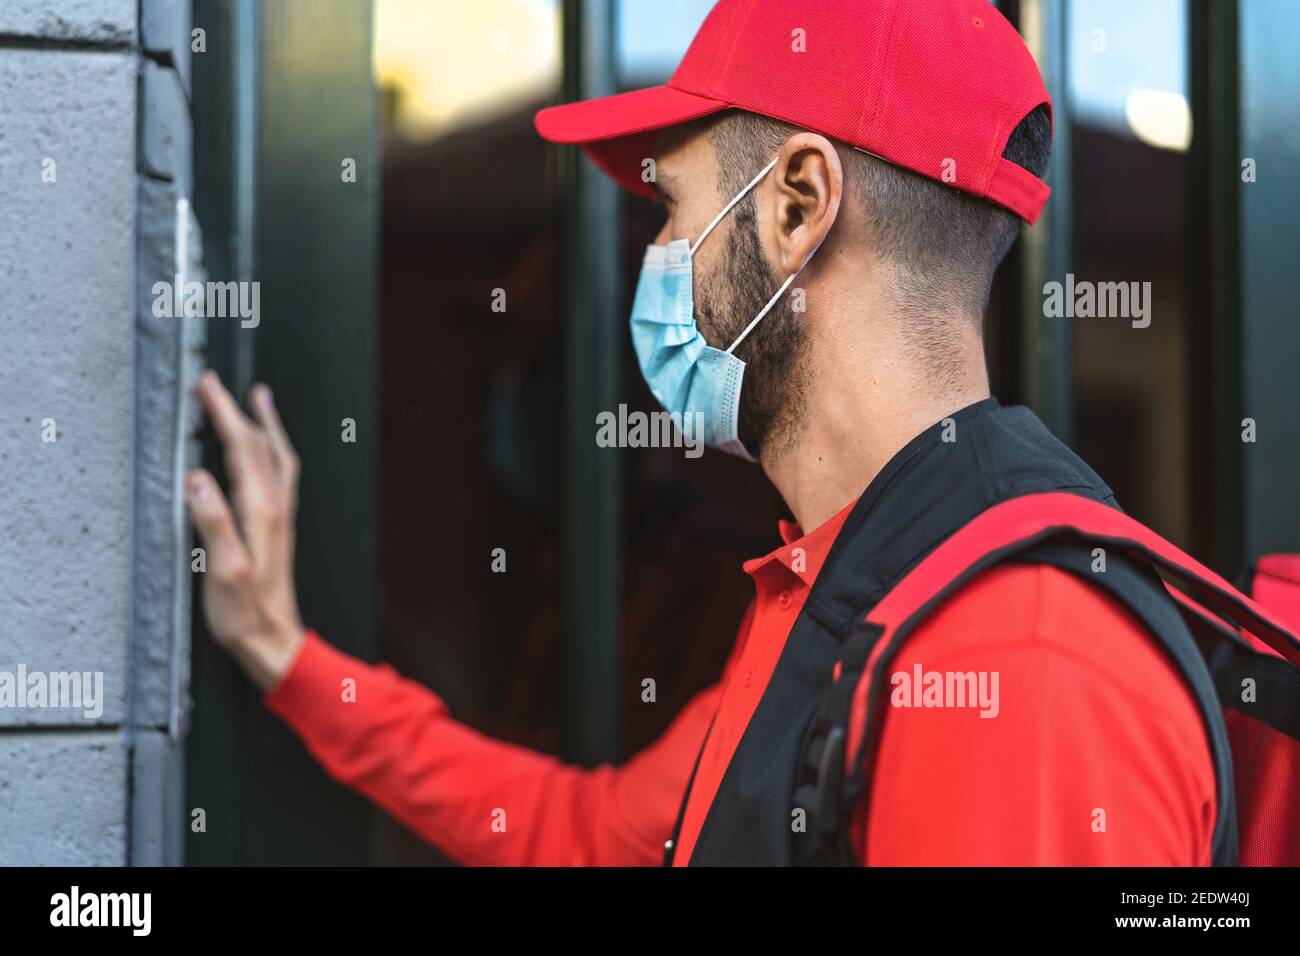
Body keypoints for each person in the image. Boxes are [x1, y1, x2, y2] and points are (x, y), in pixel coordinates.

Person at [186, 0, 1220, 865]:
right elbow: (579, 831)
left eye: (671, 209)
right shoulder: (840, 586)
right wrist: (288, 657)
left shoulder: (1018, 665)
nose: (660, 254)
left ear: (797, 204)